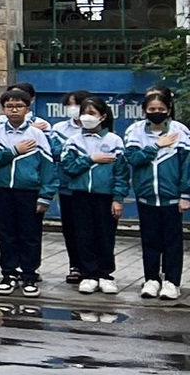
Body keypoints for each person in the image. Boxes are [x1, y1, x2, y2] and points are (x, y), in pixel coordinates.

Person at [0, 84, 53, 297]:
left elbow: (48, 167)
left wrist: (45, 195)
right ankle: (8, 274)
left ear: (27, 108)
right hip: (3, 190)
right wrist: (14, 151)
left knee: (30, 235)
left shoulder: (37, 134)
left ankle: (30, 275)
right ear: (3, 109)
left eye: (19, 106)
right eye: (9, 106)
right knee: (6, 233)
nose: (14, 110)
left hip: (29, 192)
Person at [123, 86, 189, 301]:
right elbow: (133, 159)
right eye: (152, 108)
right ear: (145, 110)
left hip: (172, 198)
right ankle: (151, 279)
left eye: (160, 108)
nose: (156, 111)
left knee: (172, 242)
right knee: (149, 240)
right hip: (146, 197)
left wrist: (185, 195)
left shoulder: (181, 131)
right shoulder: (135, 131)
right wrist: (156, 146)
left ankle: (172, 282)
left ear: (168, 109)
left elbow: (187, 165)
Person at [57, 92, 126, 295]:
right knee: (83, 235)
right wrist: (91, 159)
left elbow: (121, 174)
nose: (87, 117)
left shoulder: (114, 141)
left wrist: (118, 198)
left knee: (105, 236)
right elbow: (68, 167)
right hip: (80, 195)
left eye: (92, 113)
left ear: (102, 116)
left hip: (105, 197)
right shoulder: (73, 141)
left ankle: (105, 274)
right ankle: (89, 274)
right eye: (83, 113)